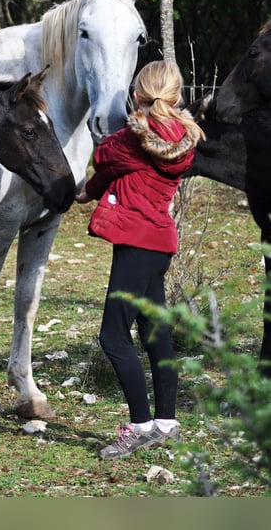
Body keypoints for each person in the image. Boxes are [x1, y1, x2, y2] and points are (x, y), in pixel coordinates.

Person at [75, 60, 205, 460]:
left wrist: (87, 190)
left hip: (136, 244)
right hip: (160, 242)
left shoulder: (131, 141)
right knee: (155, 334)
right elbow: (114, 169)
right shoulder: (183, 136)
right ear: (178, 96)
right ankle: (166, 422)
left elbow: (104, 156)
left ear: (136, 96)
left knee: (113, 337)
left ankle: (140, 426)